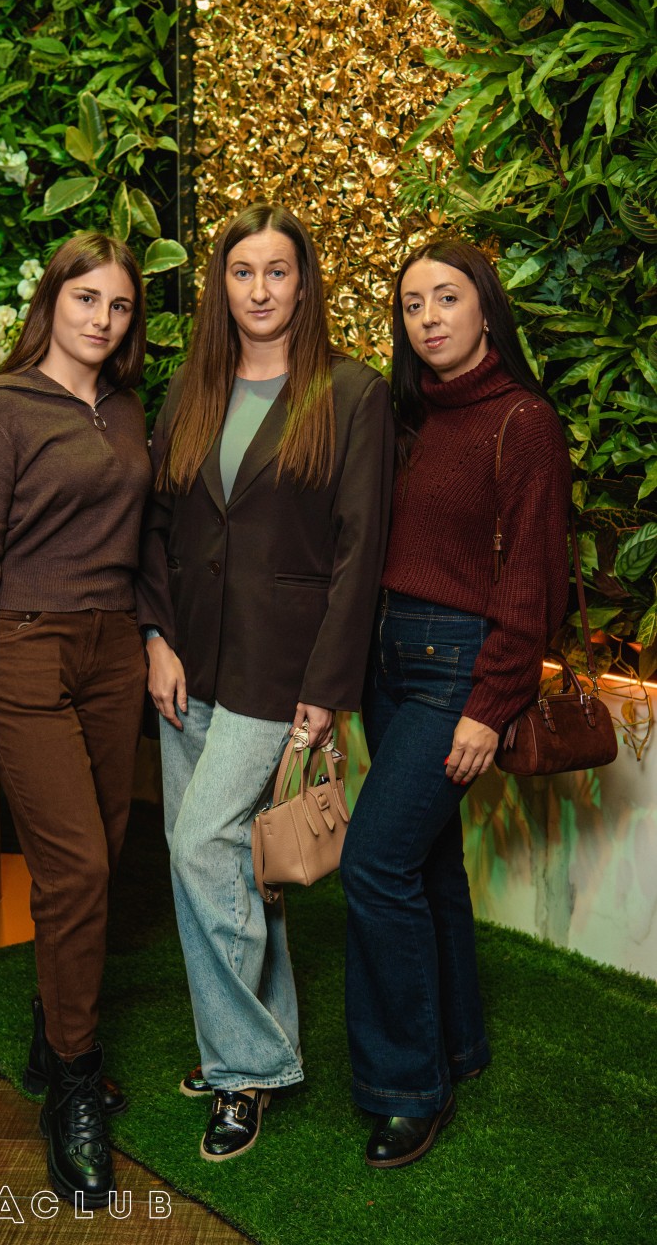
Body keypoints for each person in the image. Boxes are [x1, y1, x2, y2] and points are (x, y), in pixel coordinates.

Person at [137, 202, 395, 1161]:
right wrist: (154, 635)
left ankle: (244, 1068)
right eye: (241, 272)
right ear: (221, 285)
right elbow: (156, 525)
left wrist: (326, 688)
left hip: (280, 668)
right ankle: (251, 1038)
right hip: (188, 660)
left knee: (201, 848)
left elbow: (359, 552)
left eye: (276, 271)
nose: (259, 289)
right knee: (227, 861)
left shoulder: (352, 393)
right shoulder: (191, 388)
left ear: (303, 282)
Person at [341, 238, 572, 1169]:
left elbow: (534, 579)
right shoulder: (410, 419)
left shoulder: (524, 421)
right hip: (386, 658)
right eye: (411, 304)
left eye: (447, 297)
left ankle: (408, 1088)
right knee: (427, 865)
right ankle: (459, 1046)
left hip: (455, 669)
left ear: (485, 309)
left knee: (373, 866)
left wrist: (492, 702)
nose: (428, 317)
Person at [0, 232, 151, 1205]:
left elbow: (145, 538)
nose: (102, 319)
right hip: (26, 647)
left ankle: (49, 1026)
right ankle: (73, 1080)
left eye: (119, 305)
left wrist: (153, 636)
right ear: (52, 302)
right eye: (86, 299)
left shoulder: (127, 409)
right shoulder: (2, 407)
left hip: (114, 651)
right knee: (76, 867)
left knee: (103, 852)